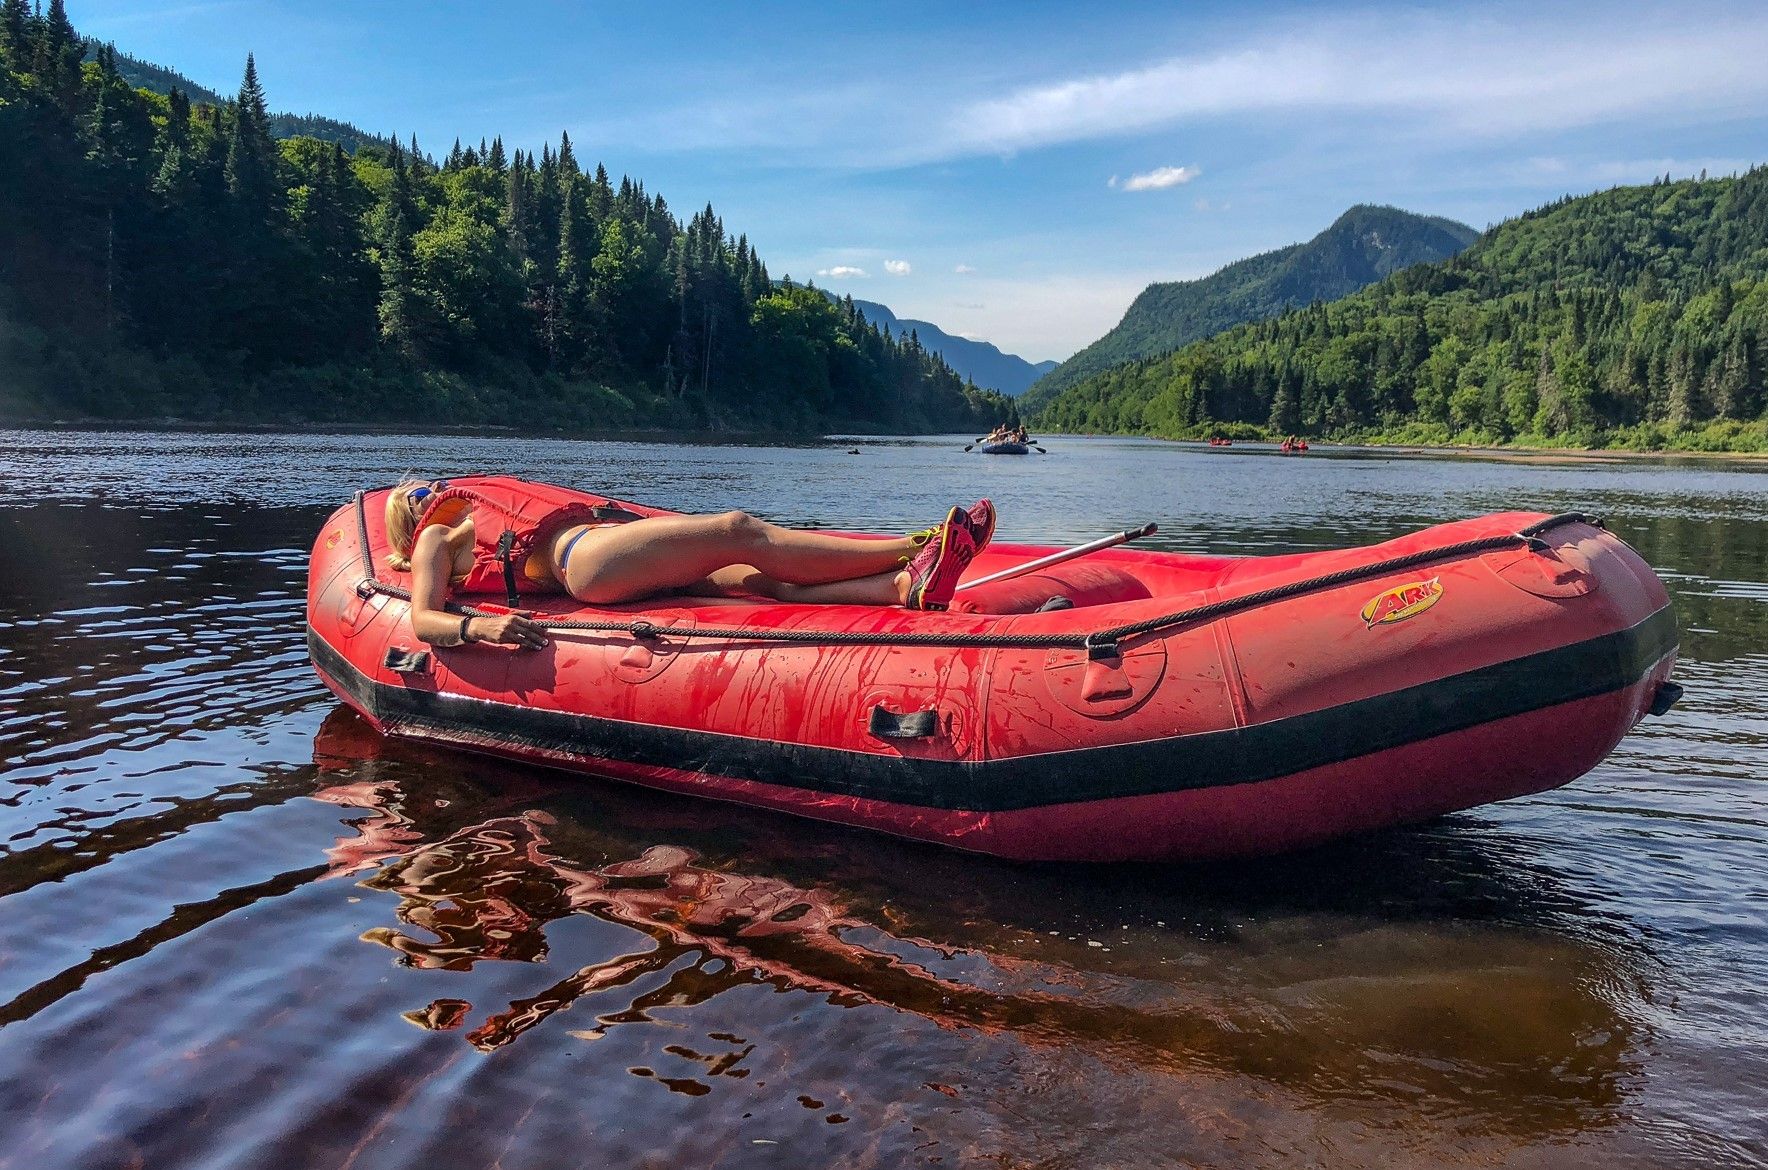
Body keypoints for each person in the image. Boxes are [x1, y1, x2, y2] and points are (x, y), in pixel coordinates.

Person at [384, 480, 996, 649]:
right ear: (411, 523)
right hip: (583, 562)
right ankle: (919, 546)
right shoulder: (439, 539)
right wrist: (479, 627)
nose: (425, 492)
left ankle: (898, 590)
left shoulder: (469, 512)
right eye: (412, 498)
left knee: (758, 581)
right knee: (738, 530)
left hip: (604, 548)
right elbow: (422, 621)